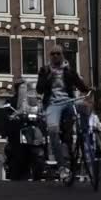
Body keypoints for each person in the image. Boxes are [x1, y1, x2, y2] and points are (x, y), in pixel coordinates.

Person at [36, 45, 90, 182]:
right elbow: (39, 89)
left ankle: (85, 137)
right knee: (53, 131)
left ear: (62, 55)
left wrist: (89, 89)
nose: (55, 56)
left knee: (84, 107)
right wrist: (48, 76)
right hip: (53, 105)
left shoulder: (68, 70)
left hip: (68, 101)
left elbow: (80, 85)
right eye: (52, 54)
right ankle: (62, 167)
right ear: (50, 56)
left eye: (58, 54)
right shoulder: (44, 70)